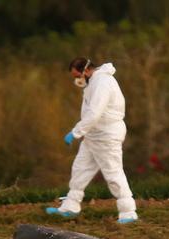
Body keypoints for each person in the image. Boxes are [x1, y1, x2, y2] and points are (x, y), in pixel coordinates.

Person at [45, 57, 138, 224]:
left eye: (77, 75)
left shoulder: (102, 83)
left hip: (106, 135)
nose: (77, 79)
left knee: (113, 172)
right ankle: (70, 206)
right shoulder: (94, 83)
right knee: (80, 168)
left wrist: (76, 132)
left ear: (86, 70)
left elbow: (95, 112)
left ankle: (128, 212)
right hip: (94, 135)